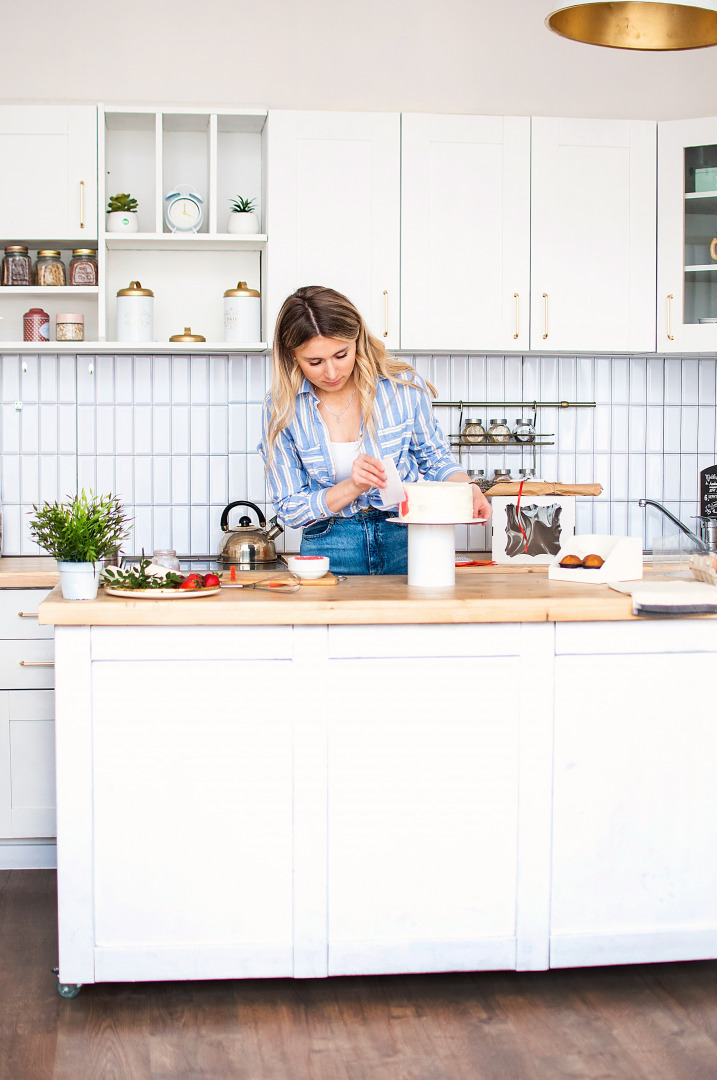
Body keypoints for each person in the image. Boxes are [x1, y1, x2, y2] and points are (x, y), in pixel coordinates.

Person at [259, 285, 492, 575]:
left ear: (357, 340)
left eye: (341, 355)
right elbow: (289, 507)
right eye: (315, 362)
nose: (331, 373)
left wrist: (467, 488)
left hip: (406, 540)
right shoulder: (282, 407)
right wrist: (352, 487)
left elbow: (436, 459)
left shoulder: (401, 386)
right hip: (329, 547)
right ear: (292, 356)